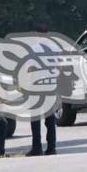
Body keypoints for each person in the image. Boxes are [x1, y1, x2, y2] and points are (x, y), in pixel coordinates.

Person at [26, 23, 57, 156]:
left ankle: (36, 148)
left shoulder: (34, 48)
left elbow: (31, 68)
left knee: (35, 118)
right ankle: (51, 147)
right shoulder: (55, 48)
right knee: (50, 119)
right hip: (51, 86)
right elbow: (60, 68)